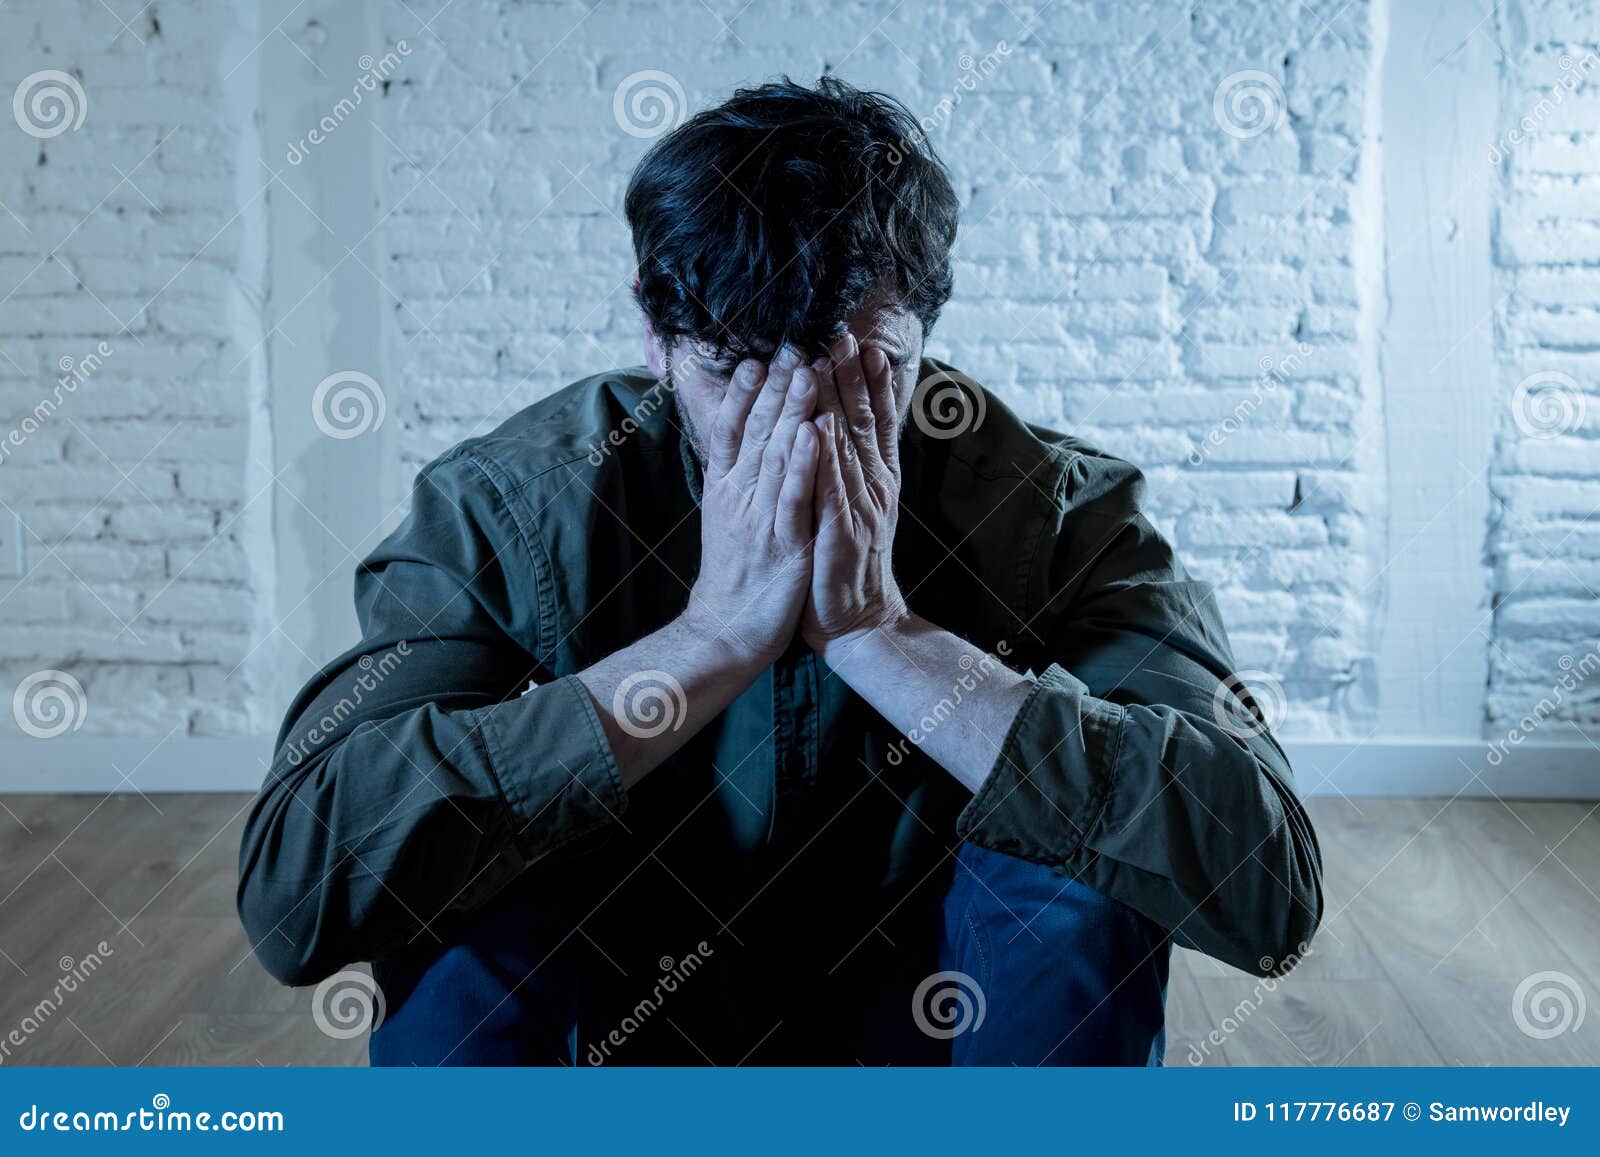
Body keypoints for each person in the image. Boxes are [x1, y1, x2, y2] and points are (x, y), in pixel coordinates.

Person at [237, 76, 1322, 1066]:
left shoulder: (1061, 513)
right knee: (466, 866)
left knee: (1082, 850)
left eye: (863, 374)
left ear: (926, 337)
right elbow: (296, 893)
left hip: (937, 1033)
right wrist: (703, 644)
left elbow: (1267, 891)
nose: (800, 423)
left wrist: (884, 640)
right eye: (737, 370)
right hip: (623, 1035)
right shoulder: (510, 504)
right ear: (655, 337)